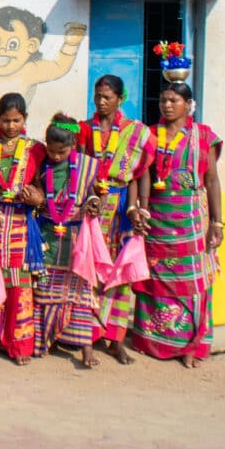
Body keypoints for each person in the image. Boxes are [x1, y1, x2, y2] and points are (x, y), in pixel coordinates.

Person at [132, 82, 222, 368]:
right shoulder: (149, 134)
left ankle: (191, 346)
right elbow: (141, 174)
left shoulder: (203, 136)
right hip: (156, 217)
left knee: (192, 283)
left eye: (173, 100)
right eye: (163, 100)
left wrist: (217, 223)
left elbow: (211, 181)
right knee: (156, 281)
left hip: (191, 218)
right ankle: (153, 342)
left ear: (188, 104)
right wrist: (140, 209)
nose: (167, 105)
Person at [77, 75, 155, 365]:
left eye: (107, 97)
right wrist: (88, 197)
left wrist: (137, 209)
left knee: (120, 276)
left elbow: (138, 174)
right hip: (94, 206)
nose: (101, 102)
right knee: (90, 271)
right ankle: (88, 336)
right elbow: (79, 166)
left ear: (120, 99)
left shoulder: (135, 132)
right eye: (97, 96)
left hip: (121, 208)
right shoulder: (85, 129)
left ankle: (116, 339)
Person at [31, 113, 103, 369]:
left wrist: (94, 203)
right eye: (51, 150)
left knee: (80, 295)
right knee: (44, 292)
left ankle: (86, 350)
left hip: (75, 239)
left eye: (61, 151)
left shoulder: (85, 166)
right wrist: (37, 199)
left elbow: (93, 195)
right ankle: (44, 342)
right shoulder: (42, 165)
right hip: (48, 235)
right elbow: (38, 191)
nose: (56, 156)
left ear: (72, 145)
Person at [0, 93, 45, 365]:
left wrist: (37, 199)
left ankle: (20, 344)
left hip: (21, 222)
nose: (10, 126)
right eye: (6, 120)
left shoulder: (35, 148)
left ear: (25, 119)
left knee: (20, 284)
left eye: (16, 120)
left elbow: (44, 184)